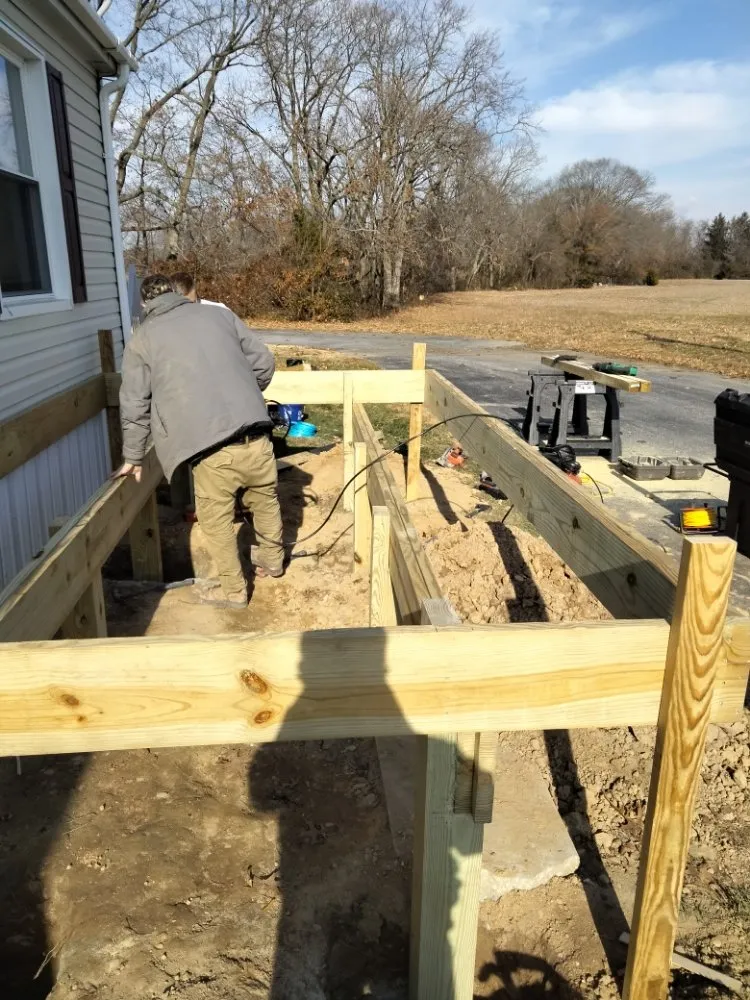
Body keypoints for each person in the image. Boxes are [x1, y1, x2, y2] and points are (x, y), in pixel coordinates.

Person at [116, 274, 285, 608]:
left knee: (216, 520)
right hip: (258, 435)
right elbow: (264, 362)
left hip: (212, 451)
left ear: (144, 303)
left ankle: (235, 592)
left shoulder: (143, 339)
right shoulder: (219, 315)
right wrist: (247, 397)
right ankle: (273, 563)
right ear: (177, 294)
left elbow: (134, 404)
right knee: (265, 501)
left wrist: (133, 457)